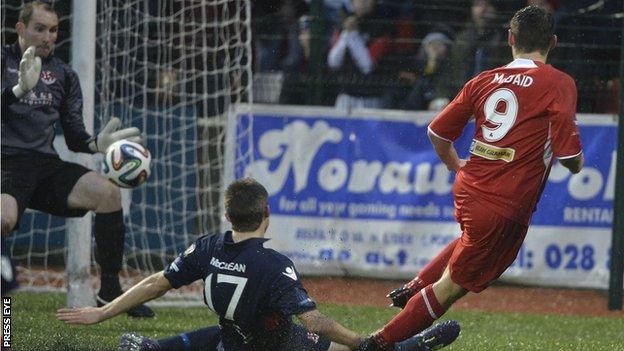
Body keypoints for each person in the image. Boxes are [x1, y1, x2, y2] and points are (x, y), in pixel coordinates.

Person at [362, 5, 584, 350]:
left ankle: (414, 287)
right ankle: (376, 343)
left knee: (471, 239)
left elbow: (437, 132)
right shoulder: (558, 82)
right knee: (451, 287)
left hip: (471, 189)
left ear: (510, 39)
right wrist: (579, 162)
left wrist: (455, 165)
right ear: (552, 43)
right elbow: (570, 157)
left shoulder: (483, 79)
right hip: (504, 203)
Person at [57, 178, 461, 351]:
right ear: (266, 212)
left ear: (227, 215)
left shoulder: (207, 247)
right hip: (278, 346)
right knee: (344, 346)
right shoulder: (274, 265)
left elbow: (157, 283)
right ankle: (409, 345)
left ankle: (153, 347)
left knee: (220, 334)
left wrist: (103, 312)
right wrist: (363, 340)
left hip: (234, 339)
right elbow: (314, 322)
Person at [0, 1, 153, 317]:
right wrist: (16, 91)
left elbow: (73, 136)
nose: (47, 37)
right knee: (4, 220)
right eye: (39, 29)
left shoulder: (64, 75)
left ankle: (109, 289)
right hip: (6, 163)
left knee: (109, 194)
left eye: (53, 30)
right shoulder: (2, 61)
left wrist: (97, 144)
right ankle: (3, 309)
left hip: (44, 165)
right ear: (20, 28)